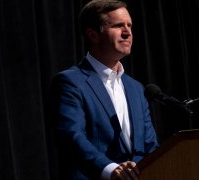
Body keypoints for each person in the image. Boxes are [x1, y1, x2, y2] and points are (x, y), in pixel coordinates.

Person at [48, 0, 159, 179]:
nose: (127, 32)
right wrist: (110, 168)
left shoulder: (136, 88)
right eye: (118, 26)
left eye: (129, 25)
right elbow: (71, 136)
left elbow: (150, 145)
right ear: (93, 35)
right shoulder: (70, 82)